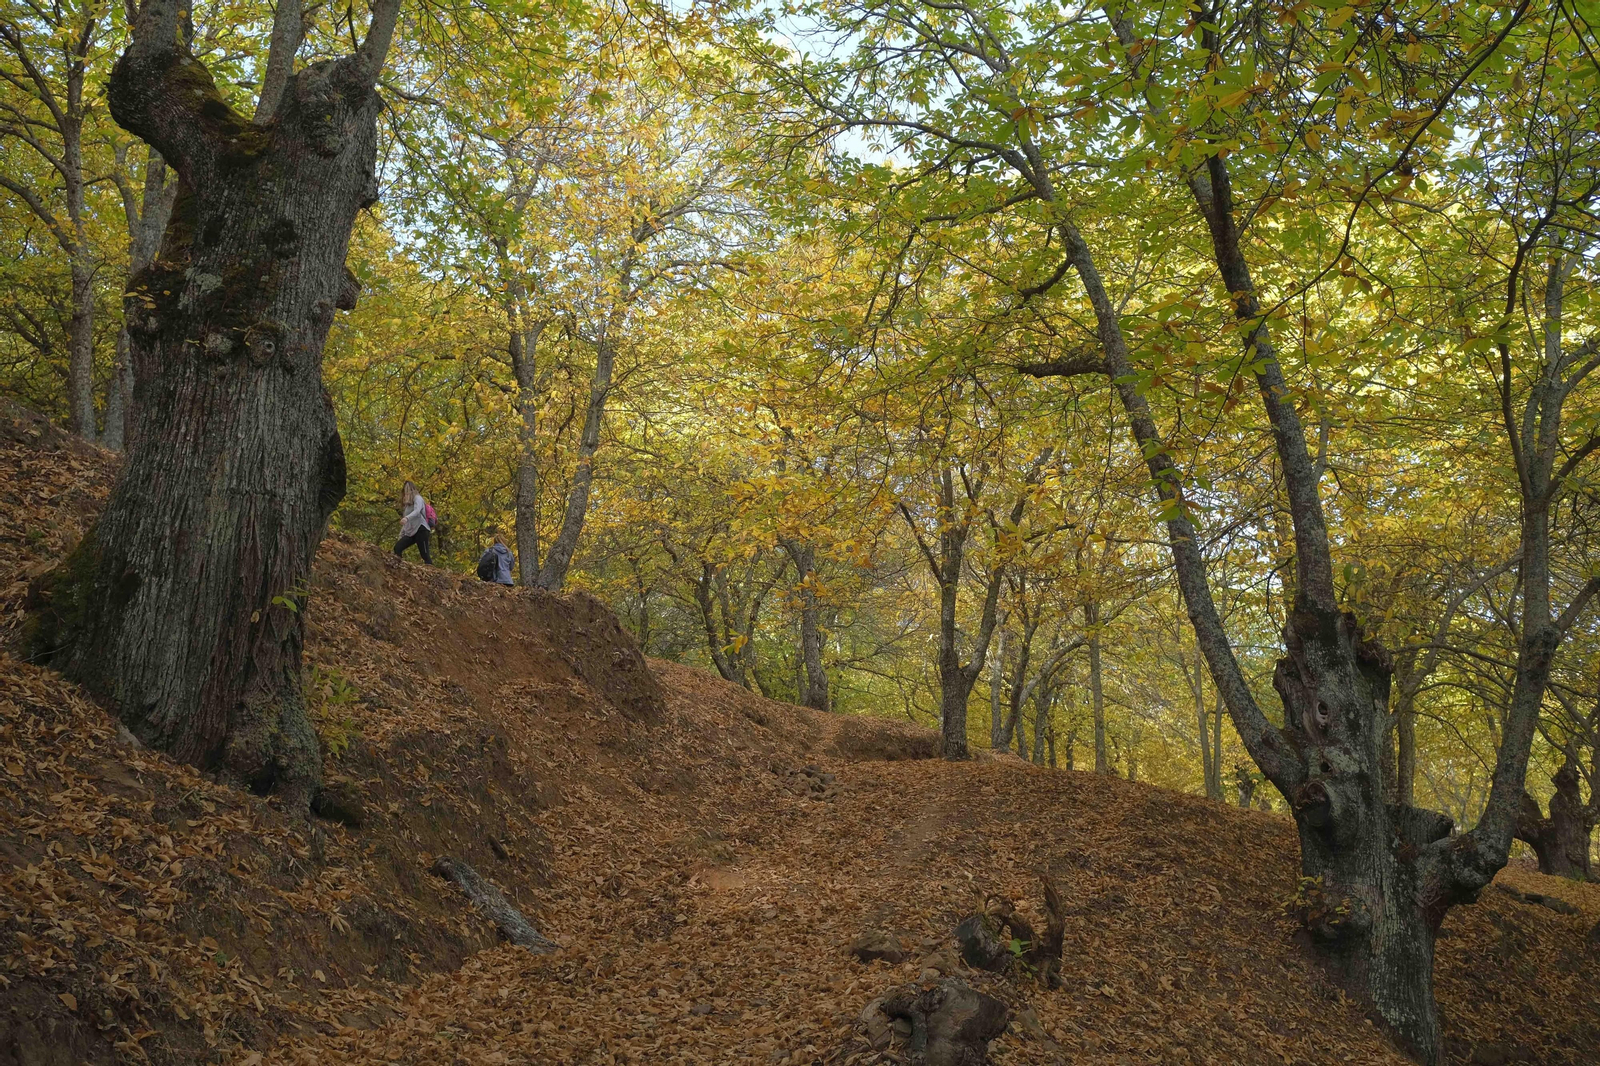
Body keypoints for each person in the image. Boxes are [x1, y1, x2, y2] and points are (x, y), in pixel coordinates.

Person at [394, 480, 433, 564]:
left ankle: (432, 571)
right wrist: (402, 534)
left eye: (407, 491)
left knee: (425, 555)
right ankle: (399, 566)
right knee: (398, 547)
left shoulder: (418, 498)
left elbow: (417, 511)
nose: (406, 494)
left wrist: (407, 518)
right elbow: (406, 522)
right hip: (411, 532)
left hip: (421, 529)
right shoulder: (407, 506)